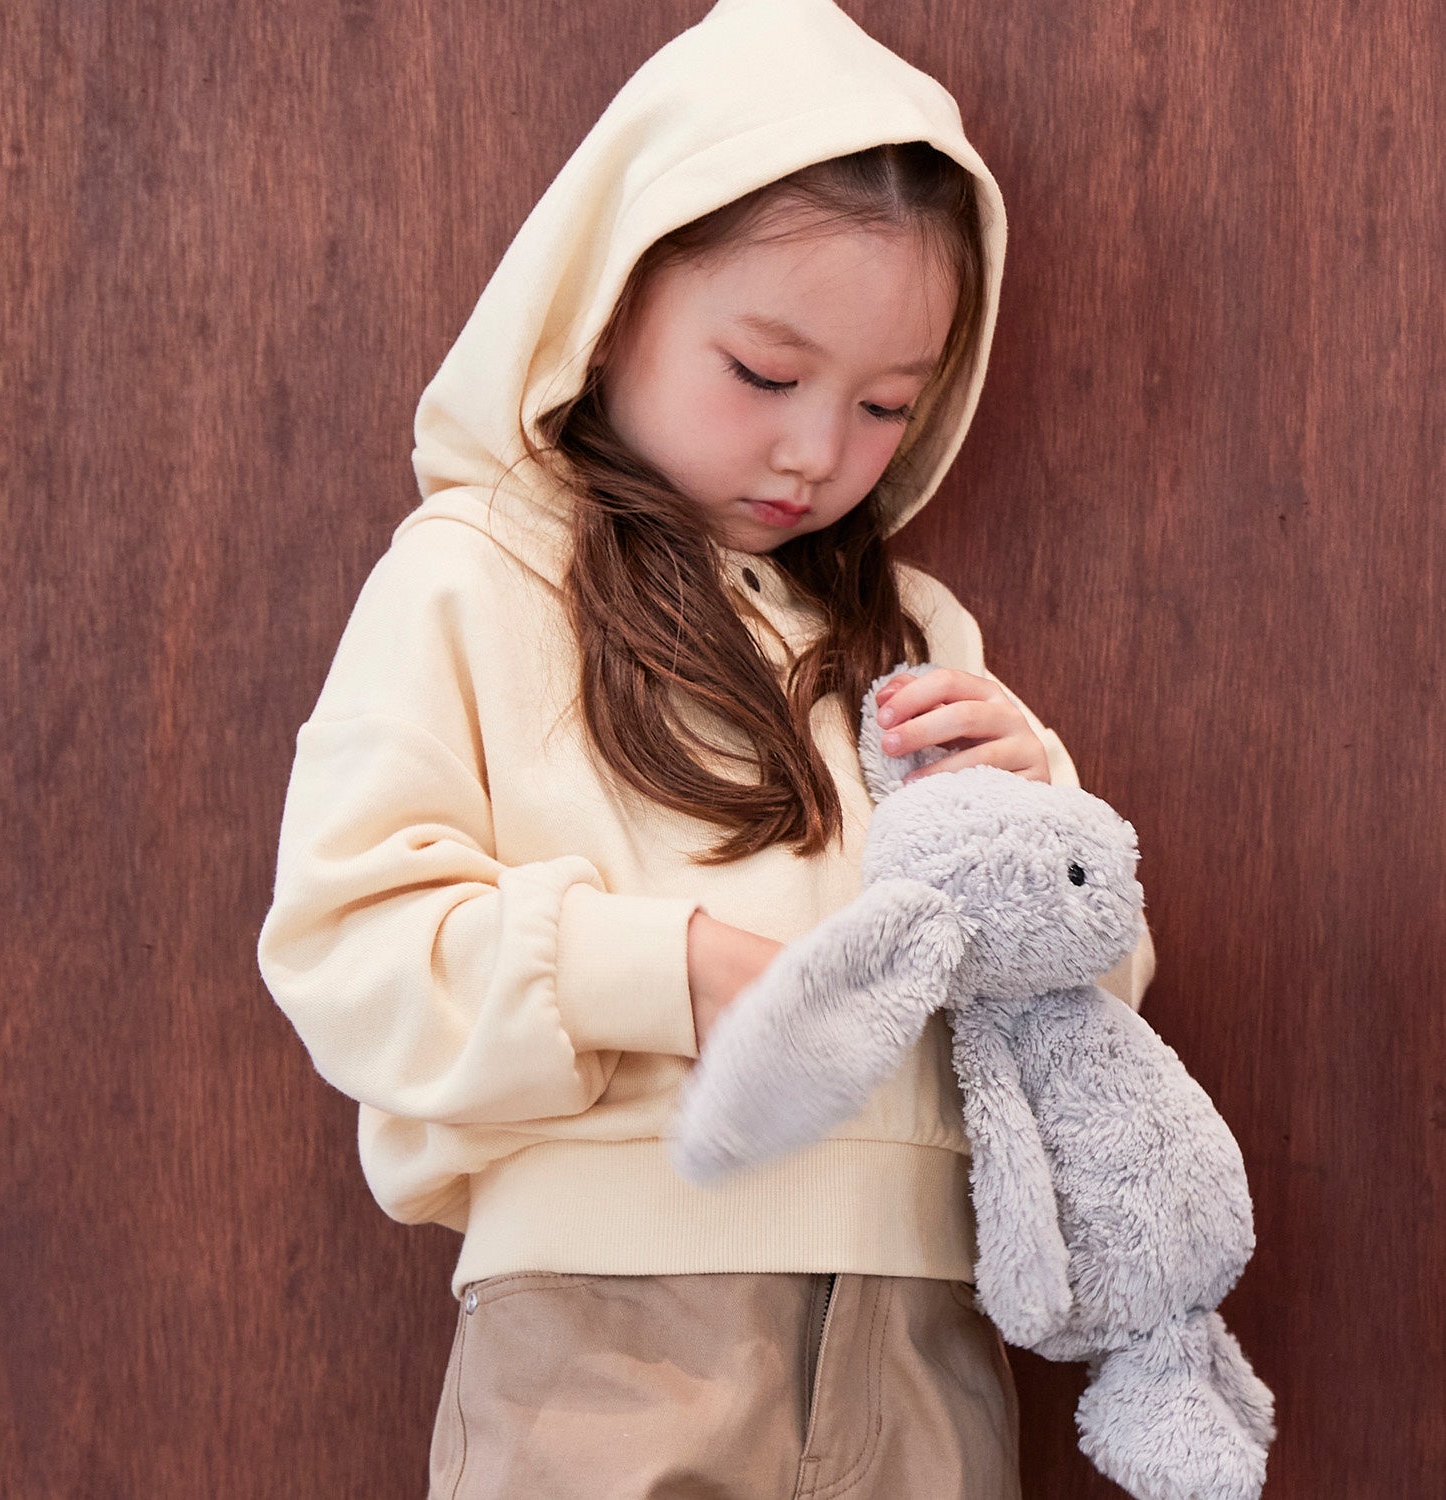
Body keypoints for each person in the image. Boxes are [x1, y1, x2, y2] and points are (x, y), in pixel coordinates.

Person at [256, 0, 1156, 1495]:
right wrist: (675, 973)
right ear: (611, 305)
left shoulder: (917, 633)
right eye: (763, 373)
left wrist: (1045, 822)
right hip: (603, 1339)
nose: (817, 453)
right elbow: (350, 950)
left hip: (928, 1343)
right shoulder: (473, 577)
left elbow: (1085, 1024)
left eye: (886, 405)